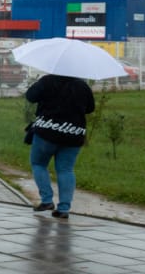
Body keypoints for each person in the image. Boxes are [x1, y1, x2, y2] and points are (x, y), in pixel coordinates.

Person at [25, 72, 95, 220]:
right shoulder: (82, 85)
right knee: (66, 170)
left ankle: (47, 200)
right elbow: (90, 108)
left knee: (38, 164)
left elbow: (30, 96)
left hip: (47, 132)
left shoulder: (47, 81)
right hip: (73, 133)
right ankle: (63, 209)